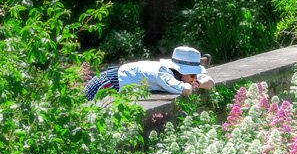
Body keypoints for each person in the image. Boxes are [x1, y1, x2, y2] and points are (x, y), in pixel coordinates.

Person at [84, 45, 214, 102]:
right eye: (192, 75)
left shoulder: (178, 74)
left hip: (116, 82)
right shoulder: (162, 73)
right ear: (180, 72)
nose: (195, 78)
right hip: (109, 83)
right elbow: (185, 90)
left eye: (196, 75)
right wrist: (195, 85)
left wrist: (198, 82)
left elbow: (210, 82)